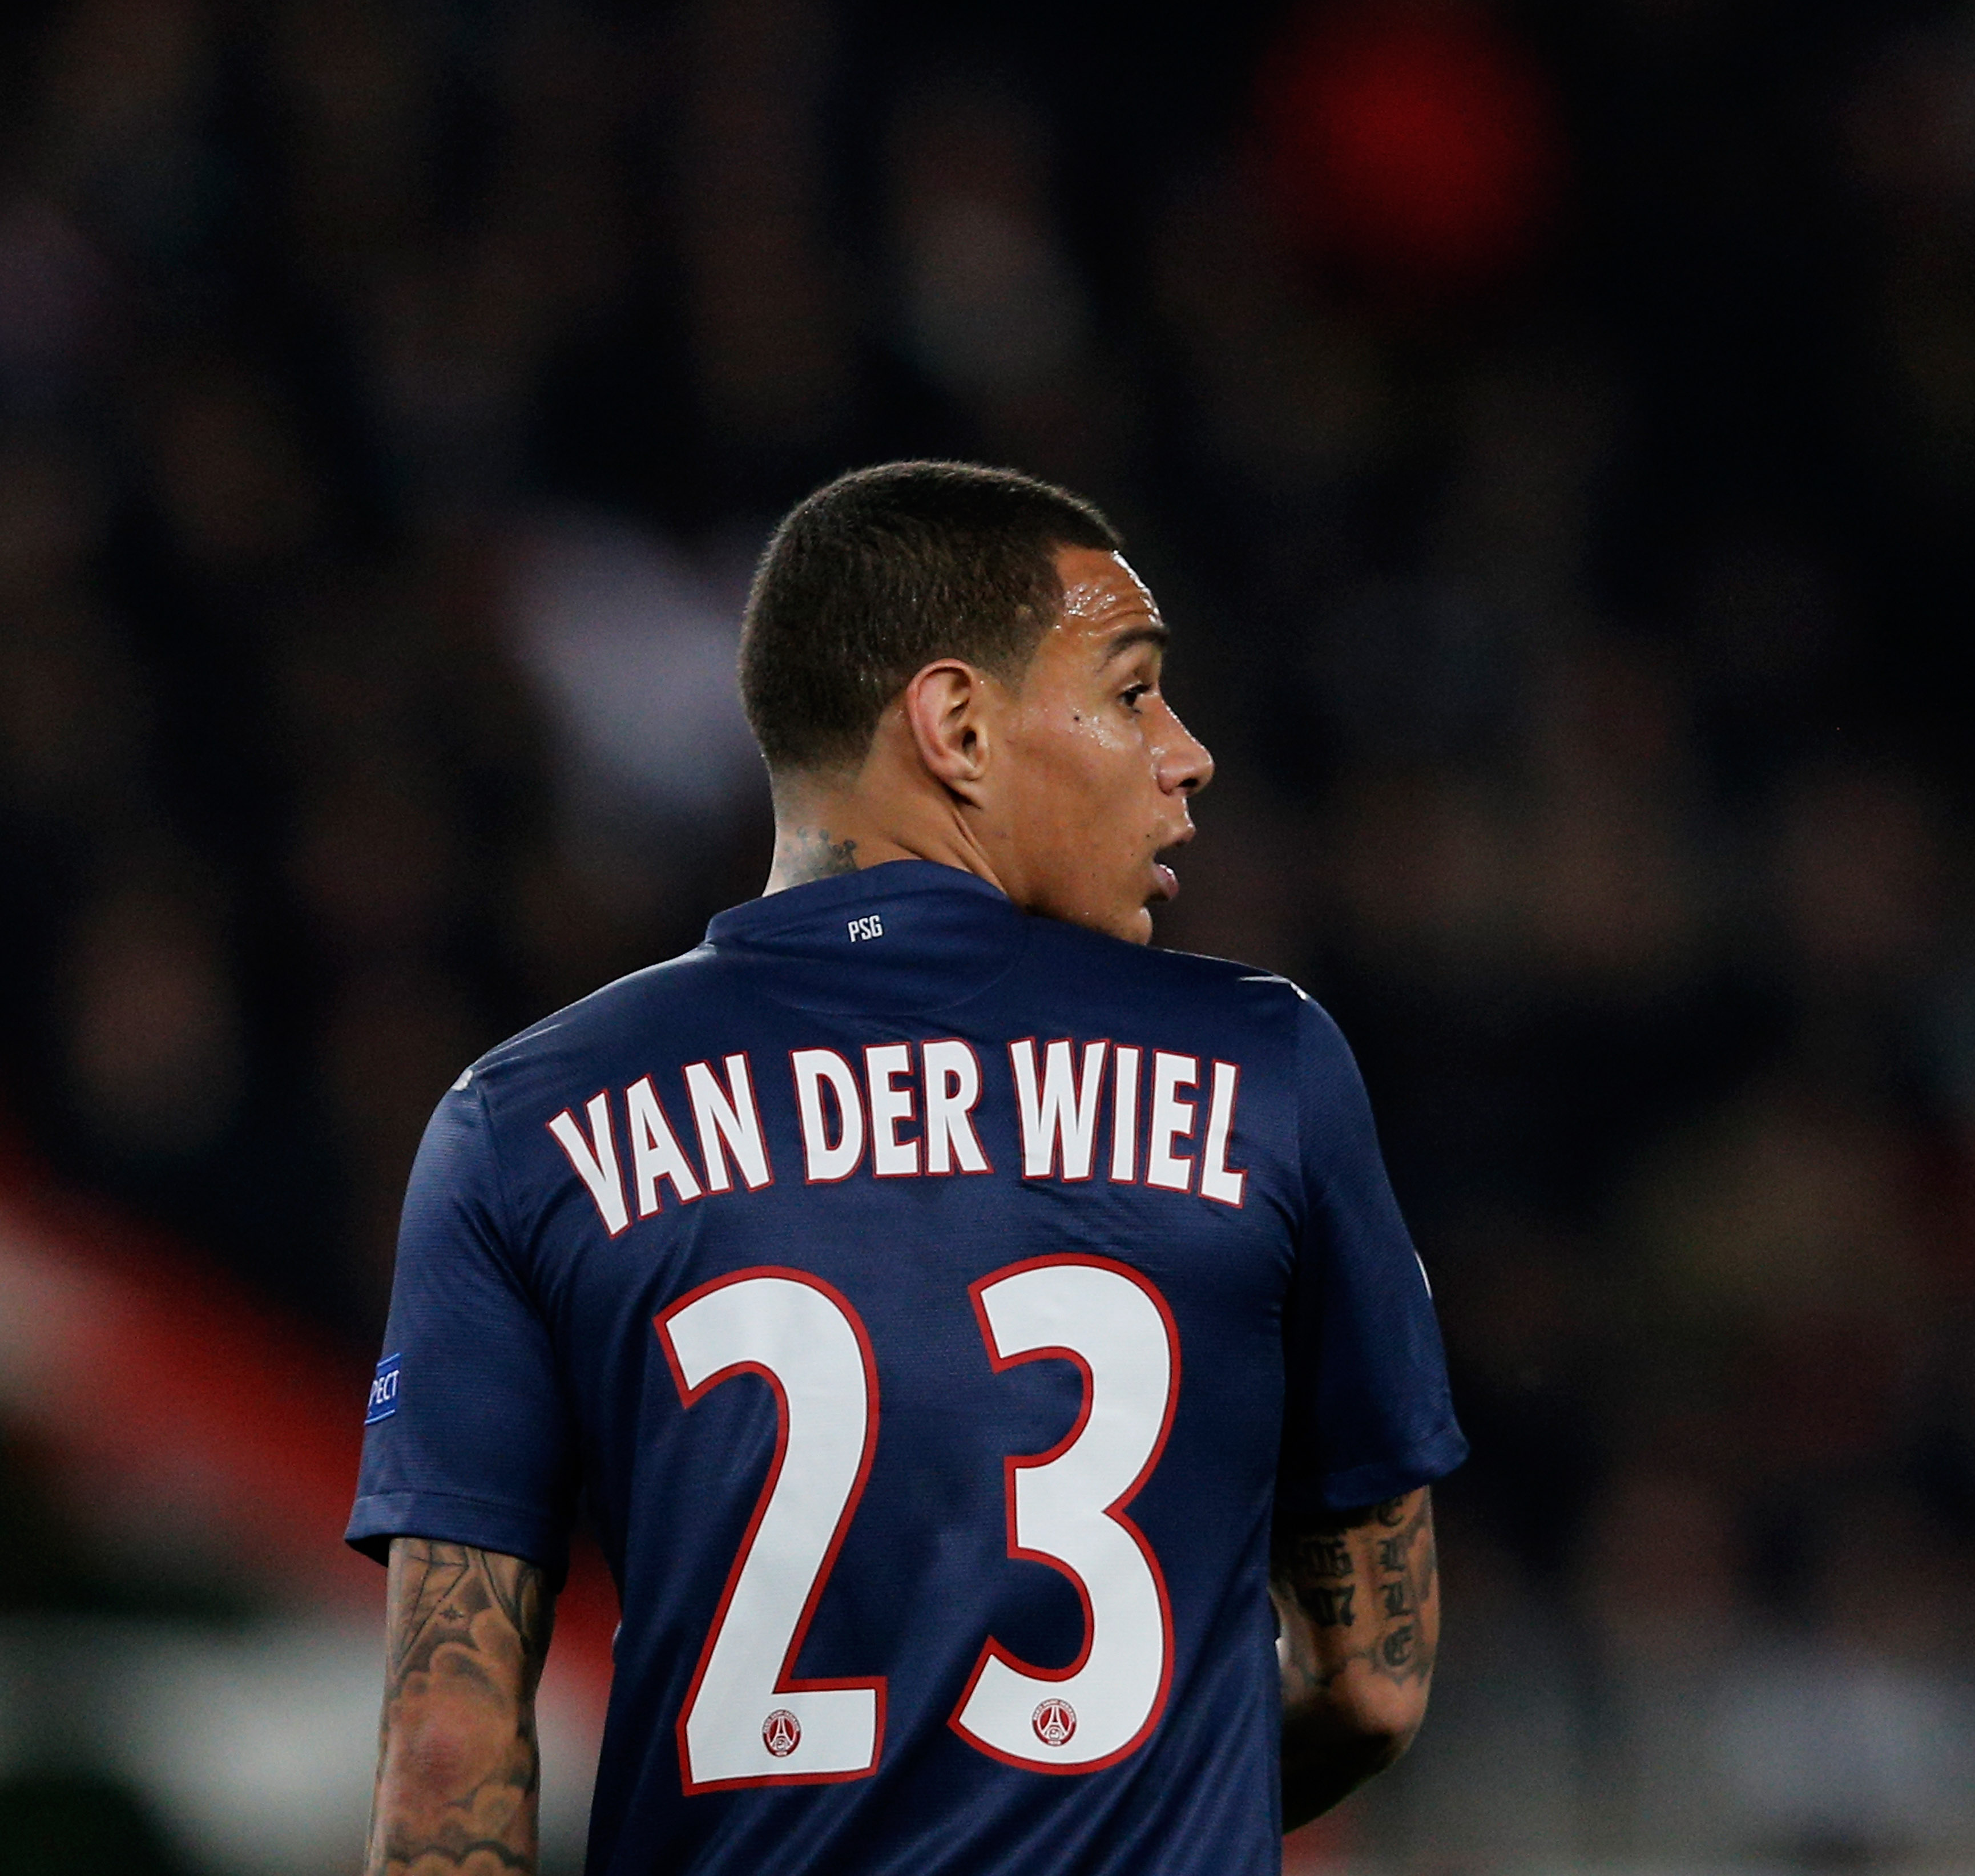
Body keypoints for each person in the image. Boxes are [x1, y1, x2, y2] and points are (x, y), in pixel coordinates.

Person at [349, 462, 1464, 1875]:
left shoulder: (522, 1122)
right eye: (1132, 692)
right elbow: (1371, 1681)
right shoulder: (1262, 1073)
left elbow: (446, 1762)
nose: (1188, 754)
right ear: (956, 727)